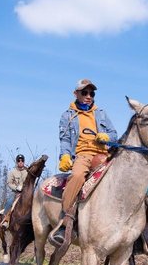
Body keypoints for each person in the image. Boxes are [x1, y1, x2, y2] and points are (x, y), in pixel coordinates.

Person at [50, 79, 117, 246]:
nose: (88, 96)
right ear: (76, 94)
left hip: (105, 153)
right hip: (83, 154)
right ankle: (64, 221)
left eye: (91, 93)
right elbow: (65, 139)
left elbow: (114, 133)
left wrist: (107, 137)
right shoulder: (67, 115)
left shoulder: (101, 113)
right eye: (84, 92)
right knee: (78, 176)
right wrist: (64, 156)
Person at [0, 154, 28, 228]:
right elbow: (9, 183)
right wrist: (16, 188)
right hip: (16, 193)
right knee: (9, 202)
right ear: (16, 162)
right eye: (19, 160)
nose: (20, 162)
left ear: (24, 161)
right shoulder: (12, 172)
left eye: (22, 160)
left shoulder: (27, 171)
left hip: (26, 192)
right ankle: (6, 220)